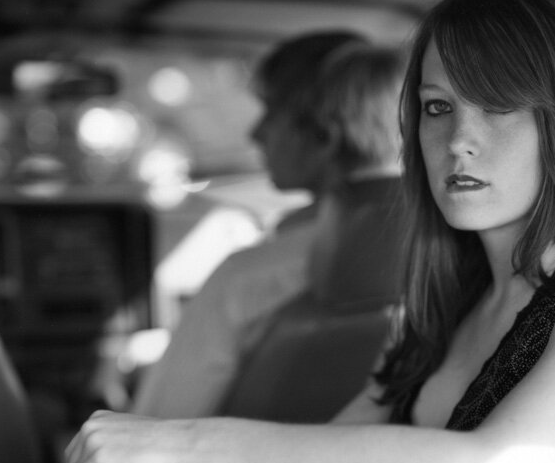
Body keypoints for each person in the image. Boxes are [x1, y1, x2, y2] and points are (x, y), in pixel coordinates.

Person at [67, 0, 555, 463]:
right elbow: (338, 450)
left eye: (500, 106)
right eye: (437, 107)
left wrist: (181, 440)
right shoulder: (450, 299)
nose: (459, 141)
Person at [130, 30, 374, 418]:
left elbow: (152, 429)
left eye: (271, 111)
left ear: (324, 133)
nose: (255, 133)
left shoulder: (246, 280)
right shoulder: (456, 265)